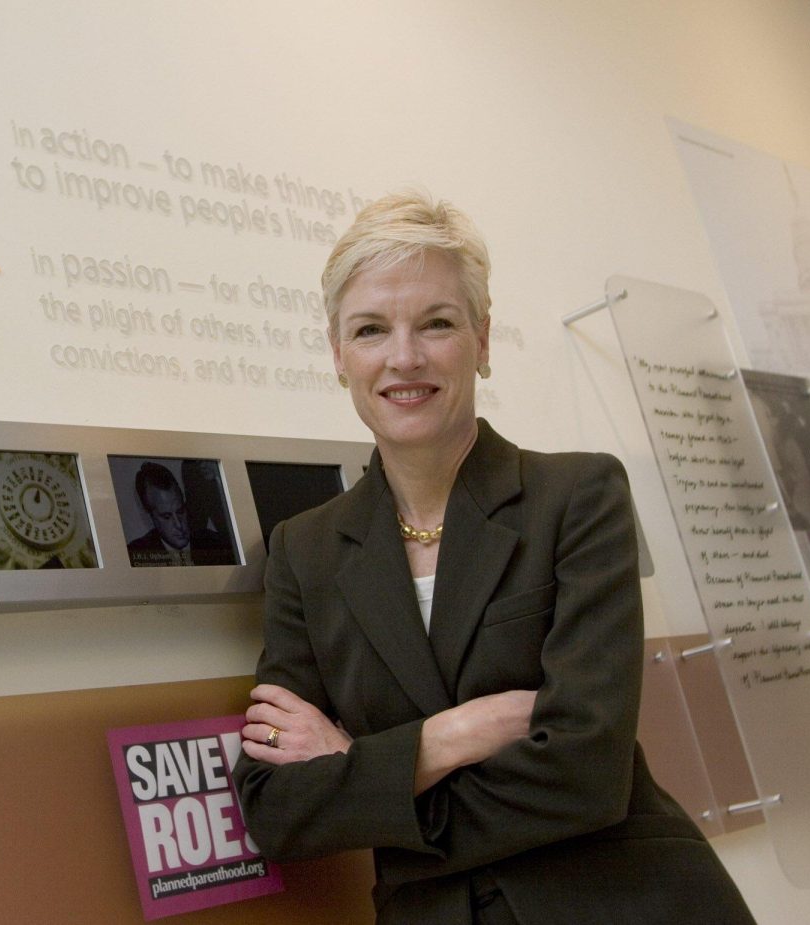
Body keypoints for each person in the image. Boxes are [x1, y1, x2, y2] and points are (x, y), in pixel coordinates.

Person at [233, 191, 755, 925]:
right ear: (338, 353)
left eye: (437, 323)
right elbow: (276, 809)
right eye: (372, 329)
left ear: (482, 339)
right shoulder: (304, 550)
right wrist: (452, 734)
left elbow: (584, 774)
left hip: (618, 900)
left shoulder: (578, 494)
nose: (404, 356)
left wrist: (364, 772)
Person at [126, 461, 235, 567]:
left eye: (180, 511)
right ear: (150, 517)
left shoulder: (218, 545)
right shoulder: (133, 553)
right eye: (167, 517)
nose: (179, 524)